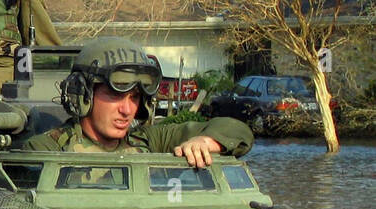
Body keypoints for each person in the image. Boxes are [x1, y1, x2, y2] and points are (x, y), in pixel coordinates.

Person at [23, 37, 254, 166]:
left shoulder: (149, 141)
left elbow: (237, 130)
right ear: (84, 94)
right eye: (115, 95)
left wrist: (204, 141)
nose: (127, 110)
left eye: (134, 97)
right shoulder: (46, 149)